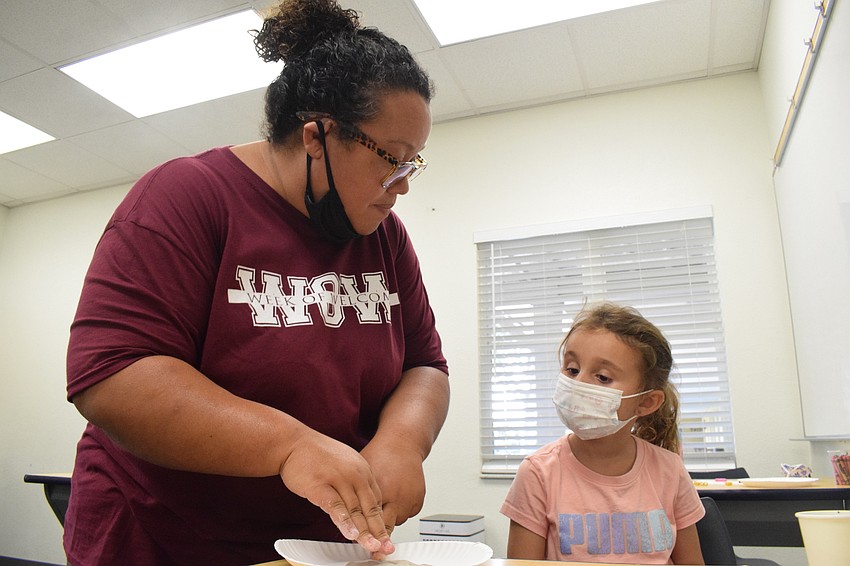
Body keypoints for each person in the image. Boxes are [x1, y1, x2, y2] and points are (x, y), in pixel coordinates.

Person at [63, 0, 450, 564]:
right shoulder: (187, 196)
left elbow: (425, 366)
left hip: (309, 543)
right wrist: (288, 445)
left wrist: (402, 441)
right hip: (164, 536)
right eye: (391, 158)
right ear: (317, 136)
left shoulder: (383, 237)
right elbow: (114, 374)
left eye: (412, 163)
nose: (402, 185)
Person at [501, 302, 705, 564]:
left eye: (603, 377)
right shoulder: (538, 474)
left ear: (646, 402)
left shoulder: (670, 471)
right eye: (572, 369)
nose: (578, 384)